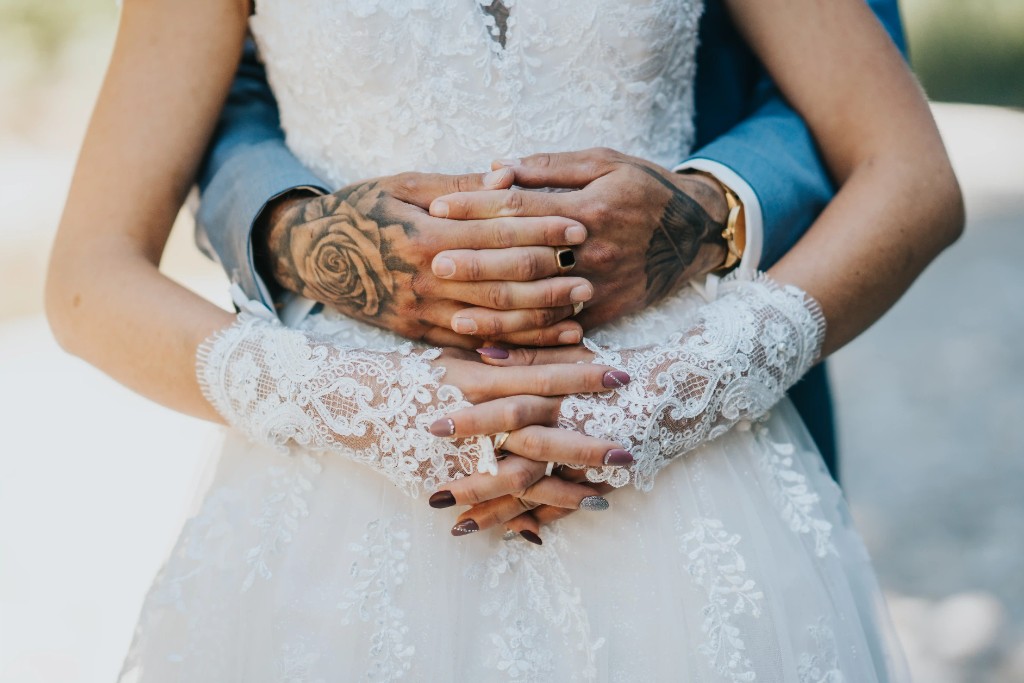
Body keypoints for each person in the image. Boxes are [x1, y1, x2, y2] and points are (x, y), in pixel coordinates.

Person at [45, 0, 963, 680]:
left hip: (681, 483)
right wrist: (366, 405)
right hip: (345, 501)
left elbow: (911, 173)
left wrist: (679, 389)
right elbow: (89, 277)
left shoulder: (673, 397)